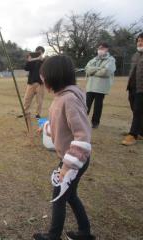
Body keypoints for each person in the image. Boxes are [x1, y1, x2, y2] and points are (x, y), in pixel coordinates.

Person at [33, 55, 95, 240]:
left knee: (59, 197)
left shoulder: (69, 99)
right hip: (70, 158)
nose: (42, 80)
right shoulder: (61, 96)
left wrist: (67, 166)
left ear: (54, 77)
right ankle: (85, 232)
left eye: (43, 76)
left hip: (74, 159)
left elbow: (82, 136)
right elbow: (62, 124)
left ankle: (53, 235)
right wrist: (46, 128)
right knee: (70, 196)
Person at [85, 42, 116, 128]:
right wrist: (98, 68)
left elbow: (106, 72)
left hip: (101, 87)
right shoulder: (94, 59)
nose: (100, 50)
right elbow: (87, 69)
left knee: (98, 106)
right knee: (86, 105)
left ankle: (95, 123)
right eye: (99, 48)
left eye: (102, 48)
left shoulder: (111, 60)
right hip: (90, 86)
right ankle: (82, 120)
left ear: (107, 49)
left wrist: (93, 71)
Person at [122, 33, 143, 145]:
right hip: (132, 87)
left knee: (138, 111)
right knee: (135, 109)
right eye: (139, 40)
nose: (140, 42)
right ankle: (140, 132)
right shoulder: (135, 55)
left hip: (142, 89)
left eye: (142, 40)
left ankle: (133, 135)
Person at [18, 46, 45, 119]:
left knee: (39, 100)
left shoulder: (44, 61)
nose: (39, 53)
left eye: (40, 52)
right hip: (31, 82)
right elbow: (26, 68)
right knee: (27, 98)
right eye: (37, 52)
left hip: (40, 84)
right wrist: (29, 60)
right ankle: (25, 112)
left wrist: (41, 60)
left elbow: (46, 69)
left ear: (42, 53)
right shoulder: (32, 61)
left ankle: (38, 114)